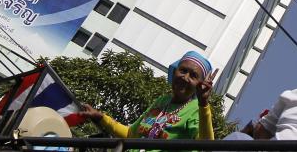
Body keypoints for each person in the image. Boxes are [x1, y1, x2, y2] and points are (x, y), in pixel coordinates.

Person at [79, 51, 217, 141]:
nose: (185, 77)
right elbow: (130, 134)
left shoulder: (197, 109)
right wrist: (101, 117)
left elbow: (206, 147)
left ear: (199, 84)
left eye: (193, 76)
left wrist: (203, 103)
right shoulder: (162, 101)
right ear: (175, 72)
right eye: (183, 71)